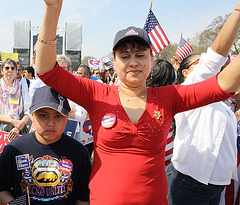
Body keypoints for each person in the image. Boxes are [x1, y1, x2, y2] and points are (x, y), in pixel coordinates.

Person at [35, 1, 240, 204]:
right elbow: (47, 71)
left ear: (152, 59)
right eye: (125, 56)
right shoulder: (95, 94)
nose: (133, 62)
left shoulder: (169, 98)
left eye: (140, 55)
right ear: (114, 62)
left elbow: (222, 85)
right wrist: (52, 8)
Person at [167, 4, 240, 204]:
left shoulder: (222, 101)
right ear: (186, 73)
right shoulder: (188, 88)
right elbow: (215, 57)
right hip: (190, 182)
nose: (206, 65)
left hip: (217, 185)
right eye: (198, 62)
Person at [0, 86, 91, 205]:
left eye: (58, 116)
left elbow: (83, 199)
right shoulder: (14, 149)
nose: (51, 123)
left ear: (67, 116)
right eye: (43, 115)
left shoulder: (79, 152)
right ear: (32, 115)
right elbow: (1, 189)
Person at [0, 58, 31, 140]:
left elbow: (28, 111)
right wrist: (12, 121)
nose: (10, 70)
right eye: (7, 68)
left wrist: (18, 127)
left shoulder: (22, 88)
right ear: (2, 71)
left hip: (17, 131)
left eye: (12, 68)